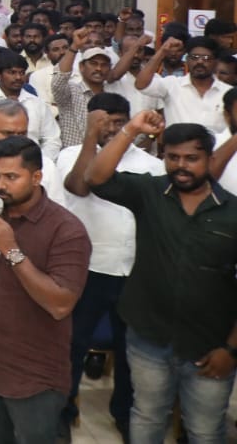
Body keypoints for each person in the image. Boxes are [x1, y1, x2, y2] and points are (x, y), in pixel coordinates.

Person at [81, 111, 237, 443]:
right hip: (148, 339)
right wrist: (131, 129)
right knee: (147, 417)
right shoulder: (150, 192)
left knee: (206, 430)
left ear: (210, 159)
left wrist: (231, 349)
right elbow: (95, 177)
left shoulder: (232, 213)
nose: (181, 166)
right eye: (172, 157)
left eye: (191, 158)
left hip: (210, 346)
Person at [0, 136, 91, 444]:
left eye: (11, 177)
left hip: (33, 373)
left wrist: (11, 250)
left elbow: (60, 304)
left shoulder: (67, 230)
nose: (0, 185)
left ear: (36, 177)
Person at [55, 93, 159, 438]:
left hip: (132, 270)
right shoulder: (70, 155)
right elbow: (79, 186)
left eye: (118, 122)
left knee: (130, 351)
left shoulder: (150, 164)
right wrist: (90, 136)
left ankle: (124, 413)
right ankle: (62, 411)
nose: (111, 128)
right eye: (103, 121)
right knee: (72, 346)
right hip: (85, 269)